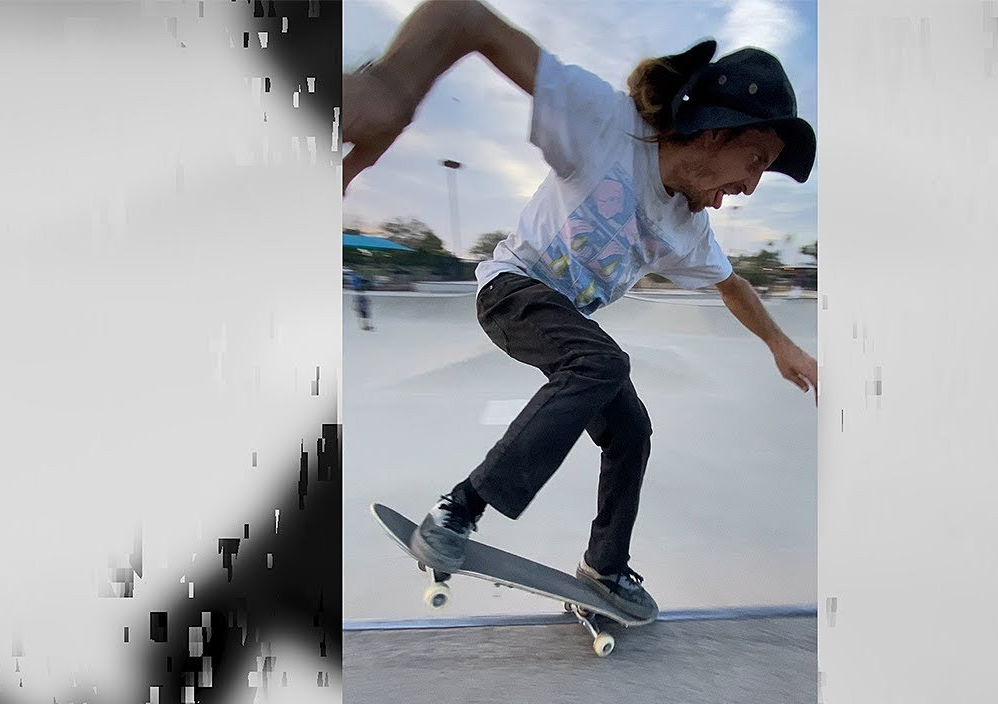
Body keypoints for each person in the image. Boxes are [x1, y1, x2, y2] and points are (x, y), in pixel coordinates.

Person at [343, 0, 817, 624]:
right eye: (754, 160)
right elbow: (466, 19)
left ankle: (605, 568)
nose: (751, 186)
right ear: (714, 131)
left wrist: (782, 345)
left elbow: (735, 288)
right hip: (511, 288)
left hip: (565, 318)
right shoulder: (606, 125)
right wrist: (392, 87)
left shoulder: (687, 229)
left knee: (631, 428)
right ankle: (457, 511)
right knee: (601, 360)